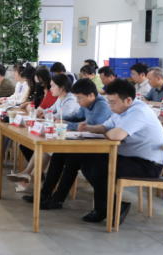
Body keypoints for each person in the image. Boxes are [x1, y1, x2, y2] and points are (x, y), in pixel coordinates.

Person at [73, 79, 163, 226]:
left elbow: (115, 136)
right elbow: (105, 127)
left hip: (147, 165)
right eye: (108, 102)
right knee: (87, 164)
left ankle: (107, 209)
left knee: (99, 167)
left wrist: (109, 132)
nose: (110, 106)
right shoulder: (120, 110)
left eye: (113, 103)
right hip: (128, 158)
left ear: (128, 100)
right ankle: (112, 206)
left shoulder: (138, 112)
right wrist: (89, 128)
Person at [24, 78, 114, 209]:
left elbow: (88, 126)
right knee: (58, 155)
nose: (77, 101)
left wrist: (65, 123)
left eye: (79, 98)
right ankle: (45, 194)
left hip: (100, 148)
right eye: (76, 98)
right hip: (86, 143)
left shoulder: (102, 106)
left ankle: (57, 199)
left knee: (71, 160)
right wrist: (59, 119)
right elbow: (77, 117)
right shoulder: (87, 103)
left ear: (91, 95)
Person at [8, 74, 79, 191]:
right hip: (60, 133)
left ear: (62, 87)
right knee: (42, 150)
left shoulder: (71, 99)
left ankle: (26, 178)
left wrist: (45, 114)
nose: (51, 89)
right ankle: (26, 174)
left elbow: (61, 115)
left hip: (68, 136)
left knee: (45, 150)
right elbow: (51, 110)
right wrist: (42, 112)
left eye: (53, 86)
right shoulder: (60, 98)